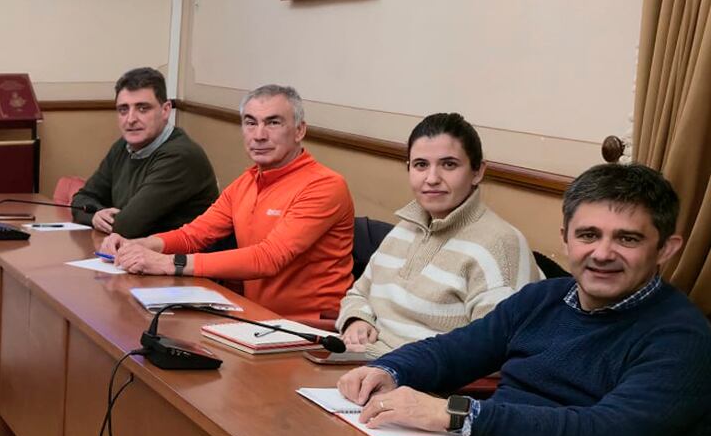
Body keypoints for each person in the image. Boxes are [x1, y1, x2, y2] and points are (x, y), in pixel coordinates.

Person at [337, 162, 711, 436]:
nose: (602, 253)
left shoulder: (681, 337)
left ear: (666, 248)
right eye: (588, 235)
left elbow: (607, 435)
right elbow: (456, 349)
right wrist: (388, 369)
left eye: (627, 239)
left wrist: (458, 415)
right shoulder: (543, 298)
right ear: (565, 238)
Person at [106, 84, 354, 325]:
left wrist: (169, 263)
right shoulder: (246, 181)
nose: (259, 135)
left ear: (299, 131)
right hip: (254, 318)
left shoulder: (324, 185)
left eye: (273, 123)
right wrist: (139, 245)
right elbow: (194, 235)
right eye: (250, 123)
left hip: (308, 328)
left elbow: (268, 258)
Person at [336, 112, 538, 354]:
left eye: (449, 164)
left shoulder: (500, 245)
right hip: (361, 361)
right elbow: (358, 293)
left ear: (478, 172)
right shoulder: (406, 228)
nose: (432, 179)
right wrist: (357, 319)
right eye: (421, 165)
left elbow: (494, 353)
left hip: (412, 374)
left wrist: (390, 368)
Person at [70, 67, 218, 236]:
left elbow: (127, 226)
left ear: (165, 110)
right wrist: (96, 215)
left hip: (178, 252)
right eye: (123, 109)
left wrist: (103, 218)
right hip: (133, 248)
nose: (131, 119)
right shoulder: (123, 146)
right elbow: (81, 199)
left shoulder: (181, 156)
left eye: (142, 108)